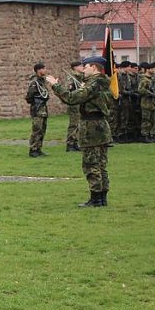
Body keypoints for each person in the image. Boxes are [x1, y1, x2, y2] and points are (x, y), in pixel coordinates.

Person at [46, 56, 113, 207]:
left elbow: (72, 98)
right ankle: (102, 198)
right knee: (101, 163)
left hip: (92, 128)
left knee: (91, 164)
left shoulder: (94, 84)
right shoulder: (102, 83)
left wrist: (56, 86)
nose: (83, 69)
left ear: (94, 68)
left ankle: (96, 199)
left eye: (86, 66)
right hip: (101, 126)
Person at [26, 62, 49, 157]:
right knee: (36, 129)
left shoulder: (41, 81)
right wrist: (36, 103)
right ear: (38, 70)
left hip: (43, 108)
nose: (45, 70)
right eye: (43, 68)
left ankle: (39, 148)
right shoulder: (34, 82)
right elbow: (29, 96)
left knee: (42, 129)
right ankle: (33, 149)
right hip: (37, 108)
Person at [65, 61, 83, 151]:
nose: (82, 67)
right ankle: (70, 143)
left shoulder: (80, 77)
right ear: (75, 67)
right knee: (73, 123)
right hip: (74, 103)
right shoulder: (71, 77)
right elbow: (69, 90)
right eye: (80, 66)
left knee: (78, 124)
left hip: (79, 102)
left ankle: (76, 142)